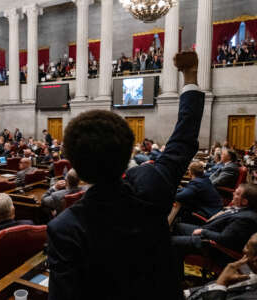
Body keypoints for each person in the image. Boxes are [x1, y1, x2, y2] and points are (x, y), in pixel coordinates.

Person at [47, 51, 204, 300]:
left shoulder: (65, 229)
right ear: (129, 150)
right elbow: (184, 137)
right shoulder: (152, 185)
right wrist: (190, 77)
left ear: (74, 165)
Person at [172, 183, 257, 274]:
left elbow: (224, 239)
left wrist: (204, 231)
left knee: (169, 242)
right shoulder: (241, 209)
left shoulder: (245, 219)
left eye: (237, 194)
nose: (233, 194)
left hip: (212, 246)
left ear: (244, 202)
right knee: (177, 226)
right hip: (208, 232)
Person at [184, 233, 257, 300]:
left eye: (247, 246)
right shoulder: (249, 271)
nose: (243, 250)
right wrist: (187, 293)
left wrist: (222, 282)